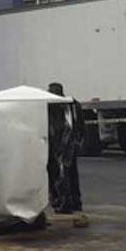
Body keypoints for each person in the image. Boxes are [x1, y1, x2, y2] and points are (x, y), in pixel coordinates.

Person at [47, 82, 88, 227]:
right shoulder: (72, 104)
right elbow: (80, 125)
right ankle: (74, 202)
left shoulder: (53, 105)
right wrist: (79, 141)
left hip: (60, 145)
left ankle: (64, 203)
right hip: (69, 145)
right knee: (70, 175)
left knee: (60, 175)